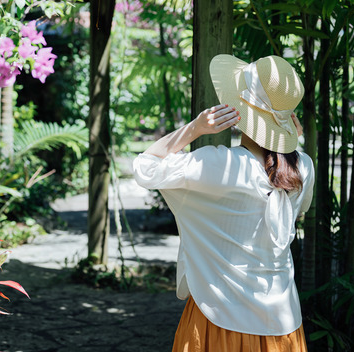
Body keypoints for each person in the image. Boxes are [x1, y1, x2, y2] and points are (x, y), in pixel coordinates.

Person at [133, 54, 314, 352]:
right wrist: (290, 142)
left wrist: (195, 128)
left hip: (217, 317)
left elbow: (145, 167)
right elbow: (299, 207)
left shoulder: (220, 165)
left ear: (241, 108)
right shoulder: (304, 167)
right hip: (283, 324)